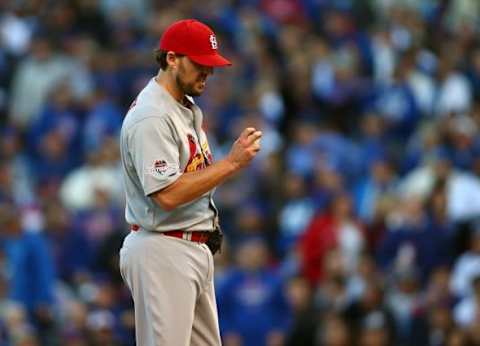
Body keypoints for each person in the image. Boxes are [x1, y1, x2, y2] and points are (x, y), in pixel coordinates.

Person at [118, 19, 262, 346]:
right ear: (172, 59)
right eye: (199, 64)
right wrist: (232, 162)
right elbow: (166, 195)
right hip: (162, 248)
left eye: (210, 66)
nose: (207, 74)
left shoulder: (183, 108)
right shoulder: (152, 116)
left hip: (189, 246)